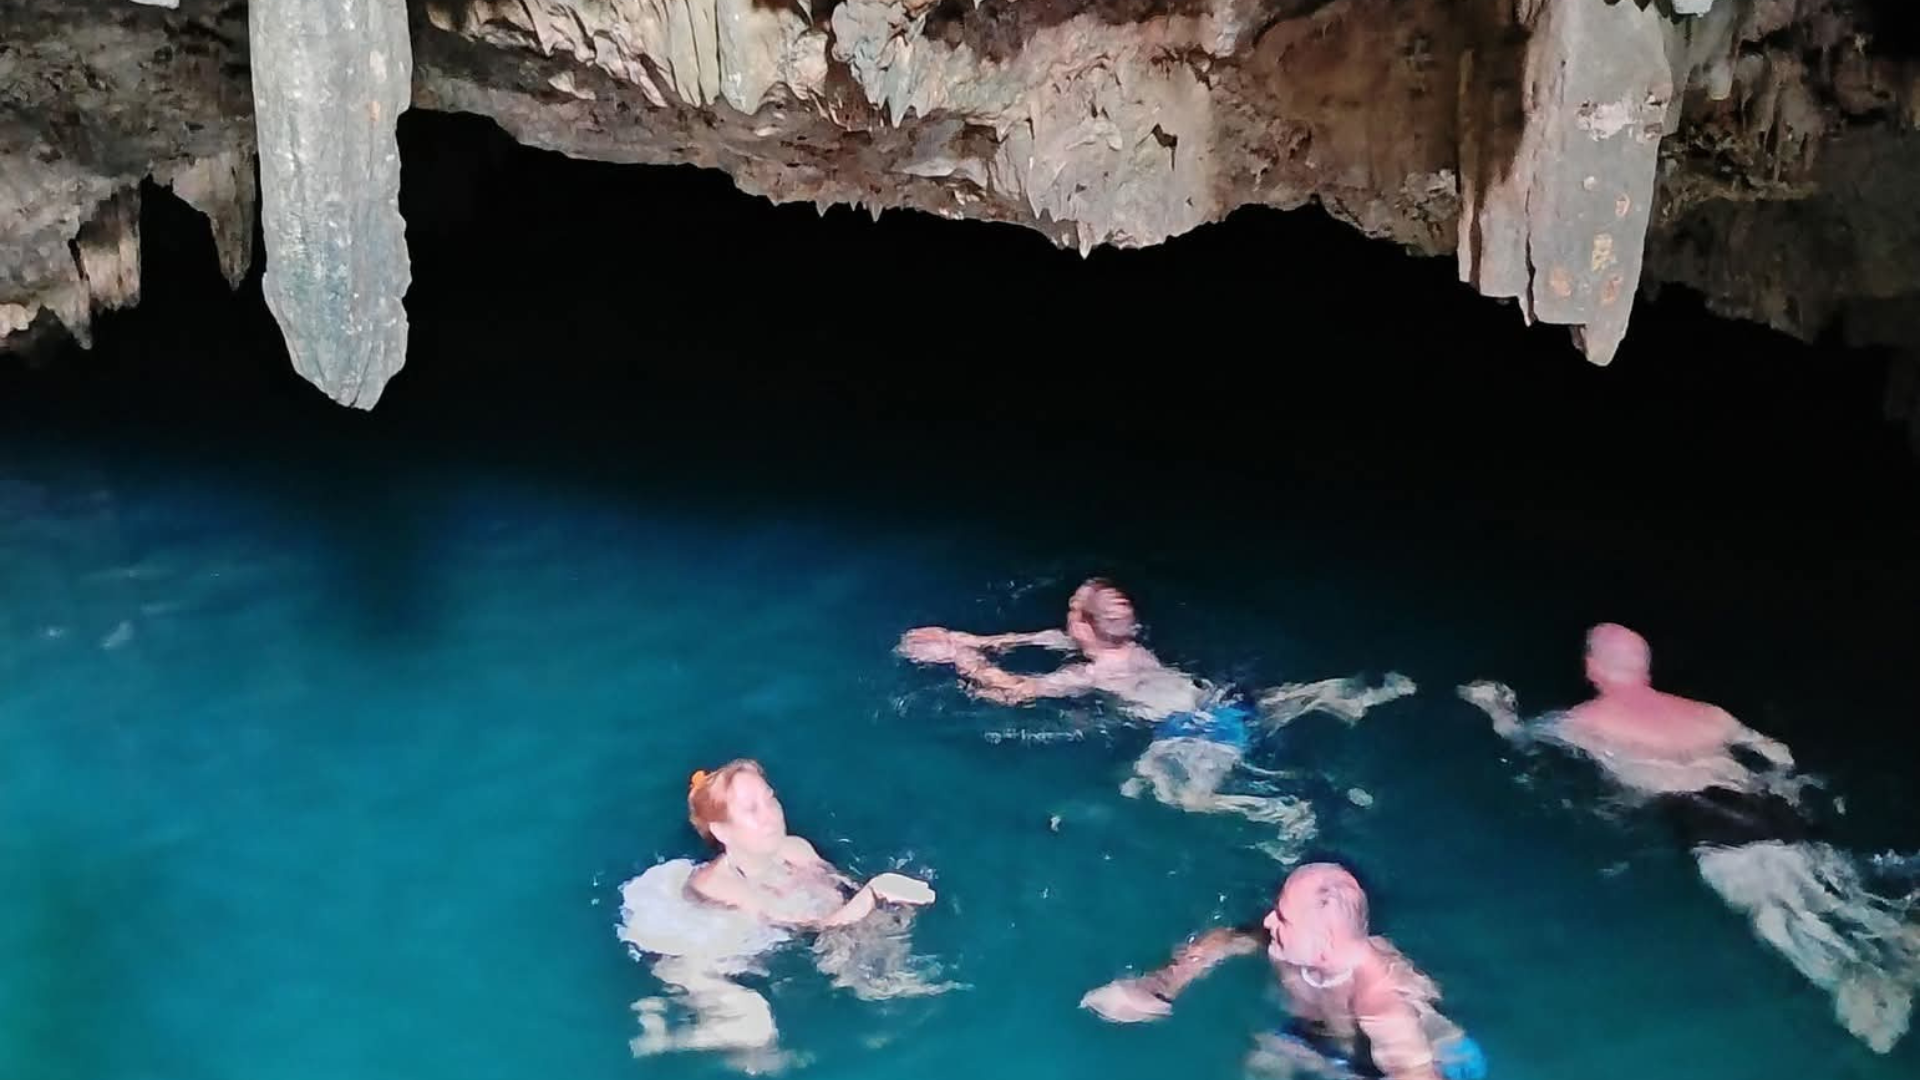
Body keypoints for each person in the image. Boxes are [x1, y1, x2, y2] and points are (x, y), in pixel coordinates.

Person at [1460, 622, 1920, 1053]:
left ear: (1591, 668)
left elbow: (1519, 739)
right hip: (1773, 808)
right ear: (1646, 666)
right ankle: (1903, 940)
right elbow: (1778, 755)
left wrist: (1493, 707)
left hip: (1705, 816)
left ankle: (1862, 995)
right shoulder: (1709, 713)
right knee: (1836, 891)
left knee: (1775, 914)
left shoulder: (1583, 721)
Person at [898, 578, 1311, 836]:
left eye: (1071, 612)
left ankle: (1280, 812)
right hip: (1223, 701)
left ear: (1083, 626)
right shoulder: (1126, 650)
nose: (1064, 620)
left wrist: (957, 658)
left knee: (1183, 799)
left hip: (1195, 730)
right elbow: (1026, 639)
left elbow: (1018, 689)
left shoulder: (1094, 674)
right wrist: (962, 637)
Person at [617, 760, 938, 1062]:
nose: (770, 814)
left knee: (869, 928)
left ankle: (893, 990)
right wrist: (875, 891)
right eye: (751, 810)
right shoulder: (720, 886)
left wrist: (879, 906)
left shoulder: (795, 849)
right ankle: (666, 1034)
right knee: (754, 1027)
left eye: (770, 800)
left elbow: (840, 894)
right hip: (698, 961)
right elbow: (810, 926)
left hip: (769, 937)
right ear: (722, 831)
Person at [1081, 862, 1487, 1080]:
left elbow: (1416, 1071)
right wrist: (1159, 986)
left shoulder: (1378, 998)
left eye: (1284, 918)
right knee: (1261, 1061)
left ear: (1325, 942)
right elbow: (1225, 939)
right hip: (1321, 1039)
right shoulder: (1290, 942)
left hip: (1437, 1062)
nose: (1270, 922)